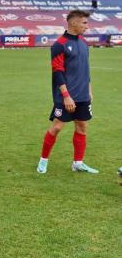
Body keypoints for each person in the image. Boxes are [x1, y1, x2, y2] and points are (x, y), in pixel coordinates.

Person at [37, 10, 99, 174]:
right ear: (73, 23)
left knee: (82, 126)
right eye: (84, 23)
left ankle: (77, 163)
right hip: (66, 96)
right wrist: (66, 96)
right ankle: (43, 161)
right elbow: (57, 72)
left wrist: (89, 90)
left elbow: (85, 70)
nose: (87, 26)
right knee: (57, 127)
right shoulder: (60, 44)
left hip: (83, 95)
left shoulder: (84, 43)